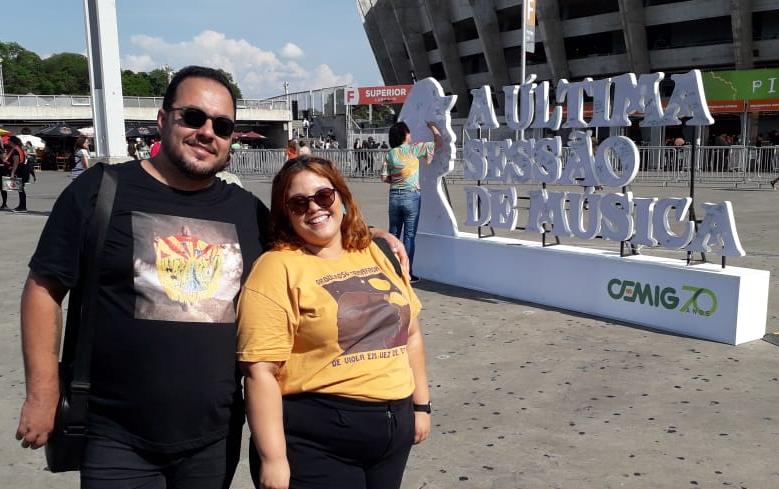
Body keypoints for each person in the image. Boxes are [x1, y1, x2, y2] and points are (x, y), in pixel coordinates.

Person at [16, 65, 408, 489]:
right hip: (115, 434)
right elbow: (44, 289)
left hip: (213, 437)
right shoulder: (101, 190)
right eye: (193, 117)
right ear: (163, 120)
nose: (208, 132)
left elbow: (308, 241)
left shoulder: (245, 211)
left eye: (222, 125)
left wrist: (366, 235)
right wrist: (42, 393)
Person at [237, 155, 430, 489]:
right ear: (286, 214)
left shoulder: (376, 250)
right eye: (299, 203)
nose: (314, 208)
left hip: (392, 432)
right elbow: (260, 371)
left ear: (341, 196)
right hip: (318, 440)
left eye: (323, 196)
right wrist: (274, 458)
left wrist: (421, 406)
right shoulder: (276, 267)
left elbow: (410, 333)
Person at [382, 121, 442, 283]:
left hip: (394, 196)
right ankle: (407, 273)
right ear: (405, 135)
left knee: (393, 234)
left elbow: (384, 177)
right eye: (409, 132)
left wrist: (398, 180)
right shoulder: (414, 149)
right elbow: (439, 143)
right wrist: (433, 127)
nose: (411, 135)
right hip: (411, 196)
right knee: (409, 236)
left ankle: (392, 270)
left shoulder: (390, 154)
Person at [2, 136, 28, 212]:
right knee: (20, 189)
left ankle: (23, 207)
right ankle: (21, 206)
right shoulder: (17, 148)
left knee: (21, 189)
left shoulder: (16, 150)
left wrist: (13, 173)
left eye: (9, 141)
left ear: (12, 142)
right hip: (22, 169)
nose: (7, 142)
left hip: (20, 170)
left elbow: (16, 162)